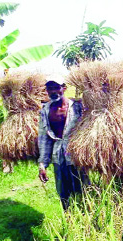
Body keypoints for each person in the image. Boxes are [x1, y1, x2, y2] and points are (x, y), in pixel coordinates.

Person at [37, 76, 90, 211]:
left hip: (76, 154)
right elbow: (44, 138)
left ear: (64, 88)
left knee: (83, 188)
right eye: (50, 88)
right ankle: (68, 220)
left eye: (56, 88)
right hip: (58, 155)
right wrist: (42, 165)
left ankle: (88, 217)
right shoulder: (45, 110)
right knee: (63, 191)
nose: (53, 91)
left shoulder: (77, 107)